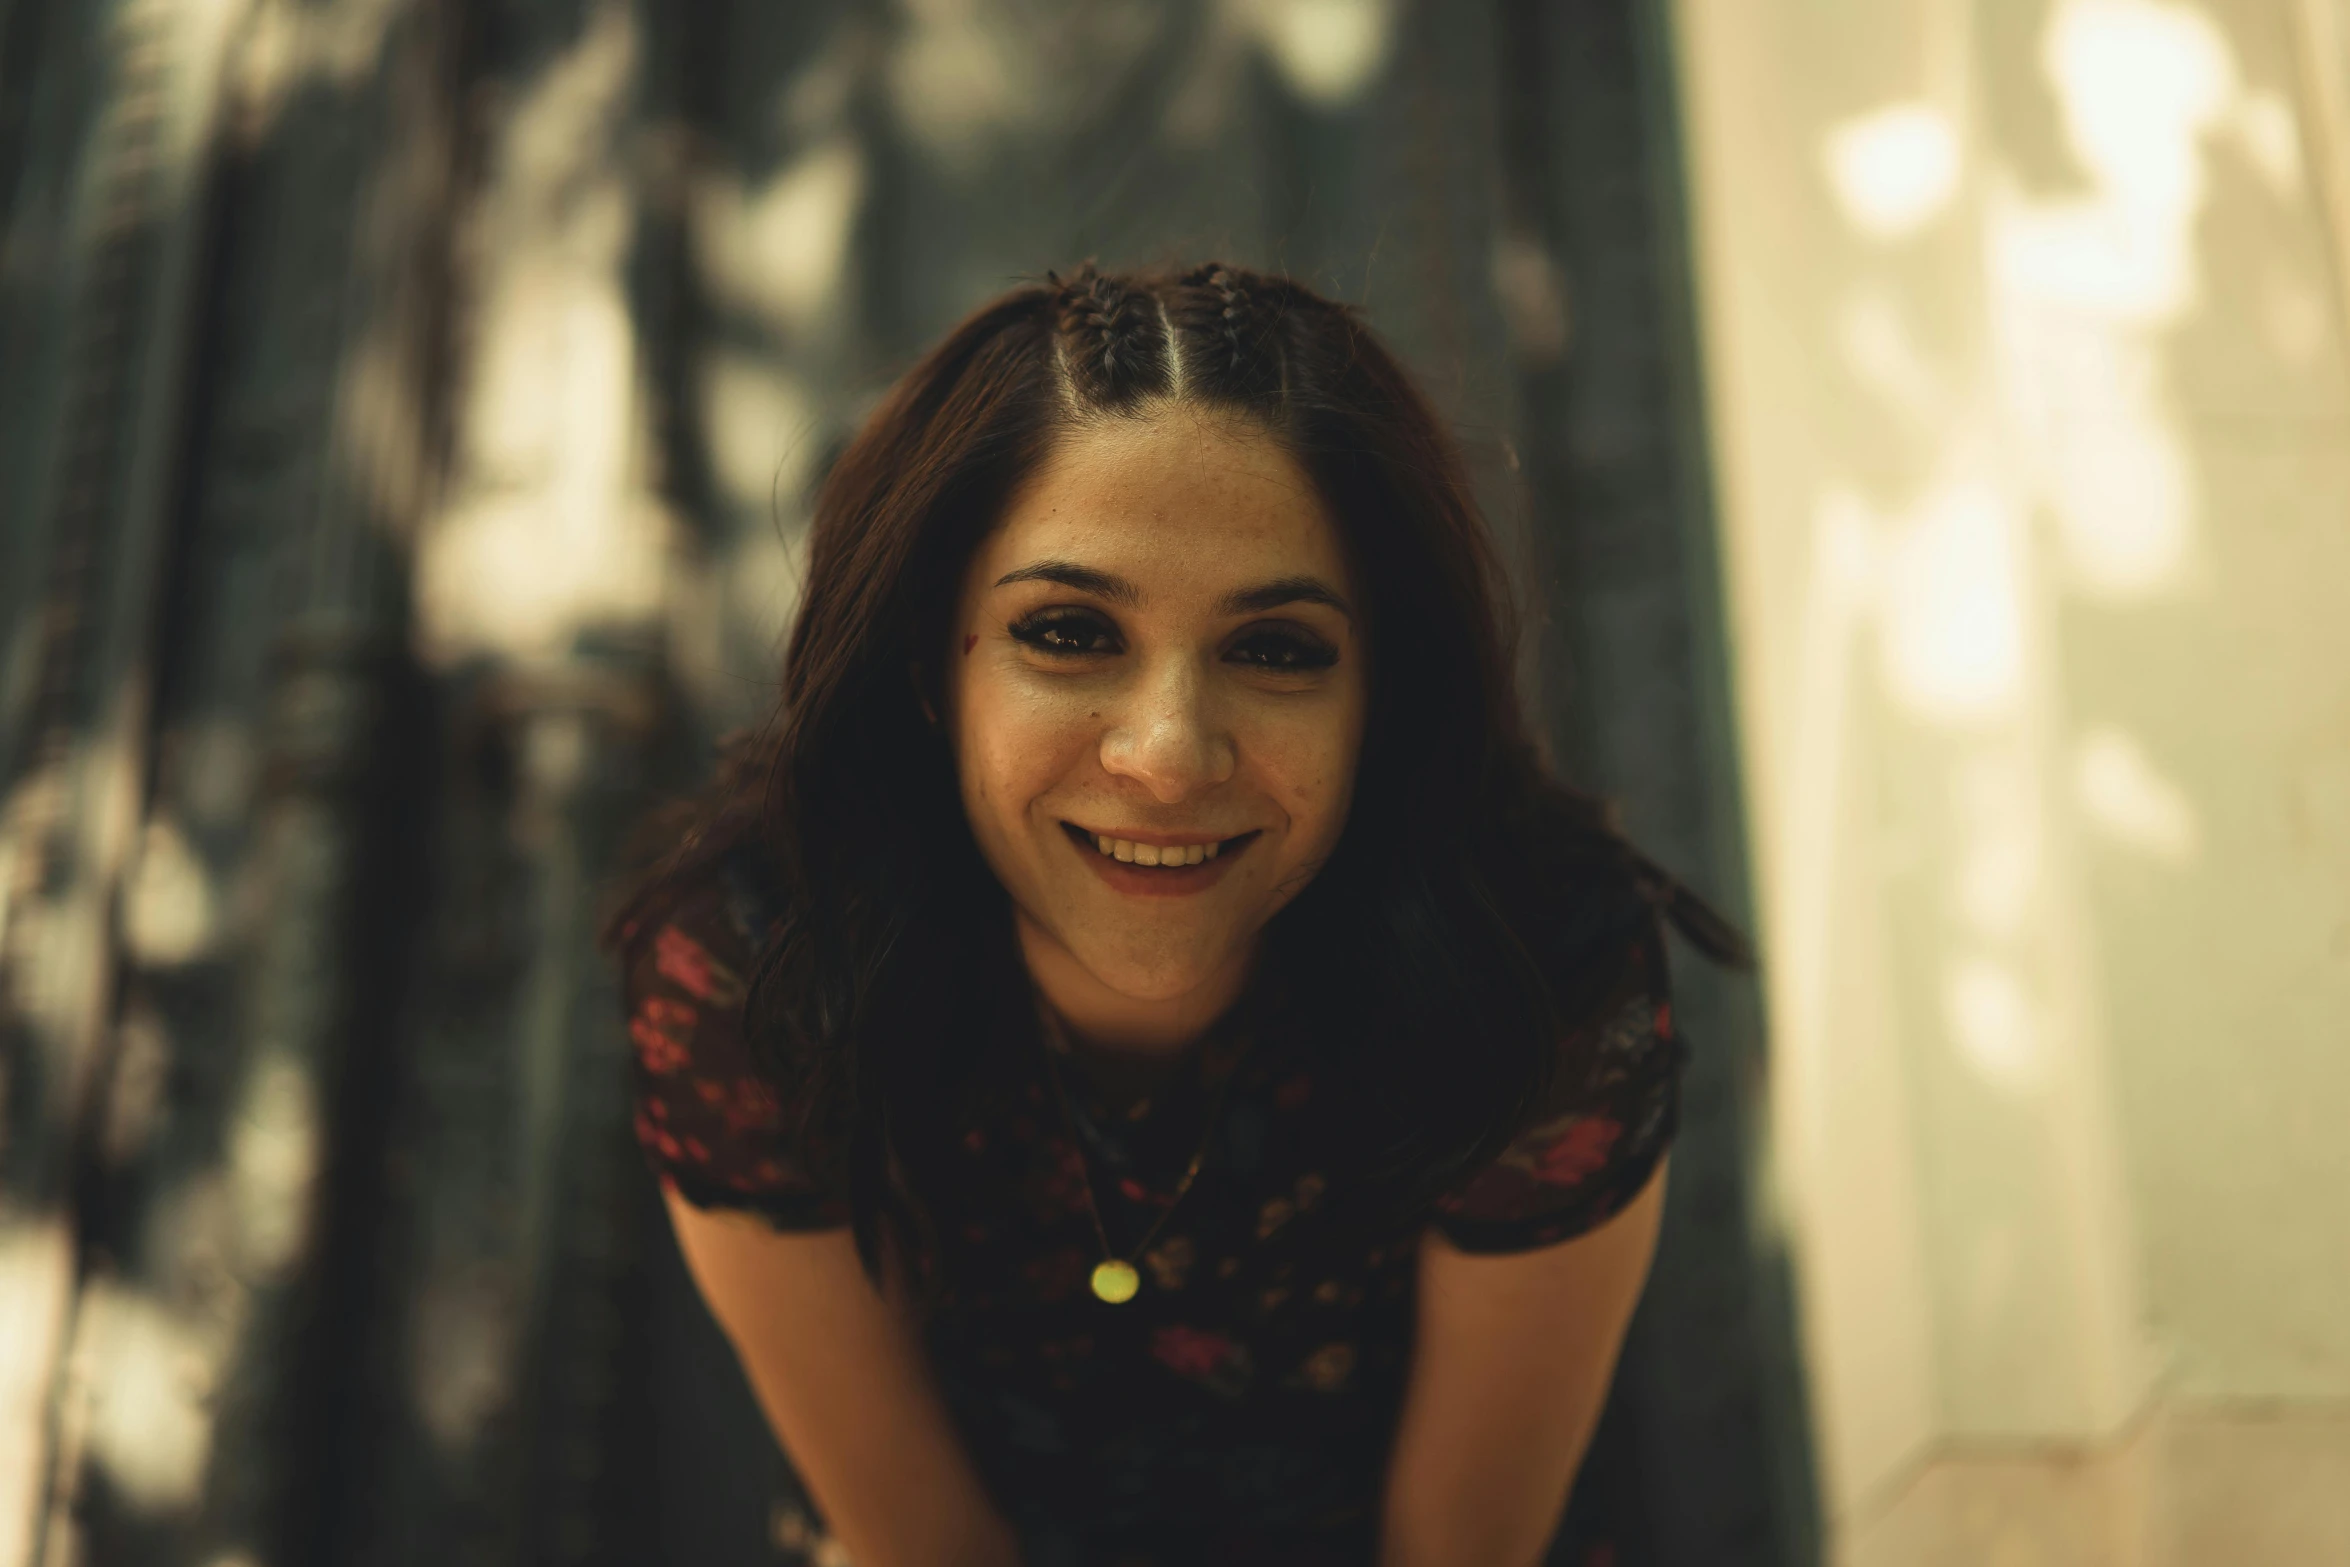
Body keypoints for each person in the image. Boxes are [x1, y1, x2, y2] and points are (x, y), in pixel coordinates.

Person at [607, 262, 1743, 1567]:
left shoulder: (1540, 978)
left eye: (1274, 649)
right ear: (932, 658)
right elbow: (925, 1545)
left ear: (1381, 691)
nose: (1169, 751)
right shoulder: (752, 965)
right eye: (1069, 631)